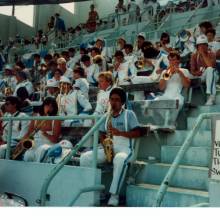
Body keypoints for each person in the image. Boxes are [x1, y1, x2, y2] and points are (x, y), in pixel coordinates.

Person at [80, 87, 142, 206]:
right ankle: (96, 192)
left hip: (125, 149)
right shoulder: (107, 116)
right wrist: (106, 147)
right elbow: (102, 134)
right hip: (109, 148)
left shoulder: (129, 114)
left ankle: (114, 195)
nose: (114, 102)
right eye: (111, 99)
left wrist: (120, 133)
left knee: (119, 159)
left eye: (117, 100)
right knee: (85, 158)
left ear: (123, 102)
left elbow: (138, 132)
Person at [155, 51, 191, 125]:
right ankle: (167, 122)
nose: (171, 62)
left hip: (177, 96)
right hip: (166, 96)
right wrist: (168, 74)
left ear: (178, 60)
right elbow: (161, 87)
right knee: (154, 103)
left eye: (174, 60)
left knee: (176, 104)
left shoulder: (184, 71)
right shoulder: (165, 72)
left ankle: (170, 123)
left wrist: (180, 73)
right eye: (170, 60)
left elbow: (186, 85)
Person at [23, 97, 61, 162]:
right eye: (47, 106)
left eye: (51, 107)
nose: (49, 108)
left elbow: (55, 140)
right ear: (43, 106)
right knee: (27, 155)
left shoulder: (56, 119)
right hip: (35, 145)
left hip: (48, 145)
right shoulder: (35, 116)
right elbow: (29, 132)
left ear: (54, 108)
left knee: (41, 151)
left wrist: (45, 133)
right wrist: (22, 141)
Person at [190, 35, 217, 105]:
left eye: (204, 45)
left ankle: (210, 95)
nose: (202, 47)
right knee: (210, 71)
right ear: (197, 47)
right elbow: (192, 71)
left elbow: (211, 66)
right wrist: (197, 73)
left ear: (207, 46)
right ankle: (211, 96)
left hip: (212, 74)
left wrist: (203, 54)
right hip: (201, 76)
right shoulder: (194, 56)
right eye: (200, 45)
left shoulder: (212, 54)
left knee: (210, 70)